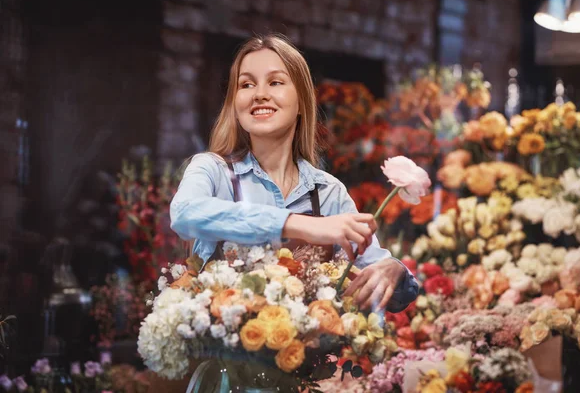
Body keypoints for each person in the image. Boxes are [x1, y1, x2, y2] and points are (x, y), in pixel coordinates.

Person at [170, 33, 418, 312]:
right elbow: (184, 214)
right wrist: (299, 225)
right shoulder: (212, 170)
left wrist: (393, 270)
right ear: (235, 104)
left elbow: (386, 286)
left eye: (275, 82)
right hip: (222, 353)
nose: (259, 93)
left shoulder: (328, 192)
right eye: (246, 84)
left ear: (302, 101)